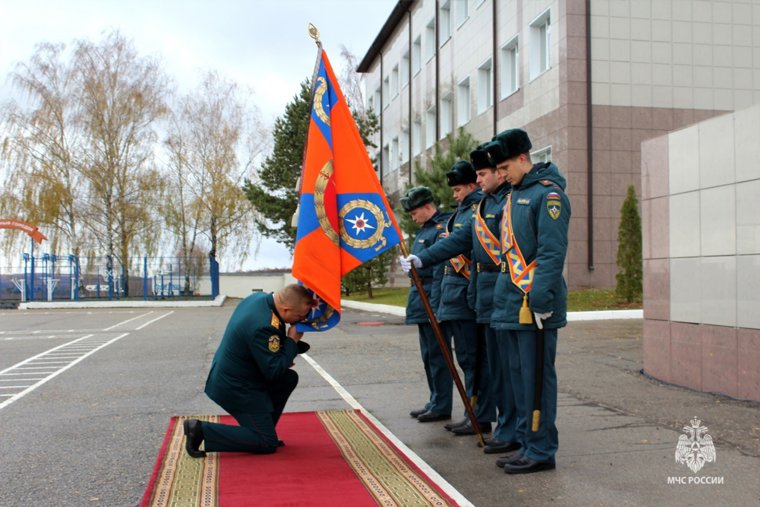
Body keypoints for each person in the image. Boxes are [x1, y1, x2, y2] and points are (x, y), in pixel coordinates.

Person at [400, 145, 520, 454]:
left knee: (486, 364)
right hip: (469, 295)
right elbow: (454, 248)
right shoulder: (471, 212)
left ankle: (485, 418)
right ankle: (480, 416)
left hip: (483, 295)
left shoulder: (491, 206)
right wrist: (422, 260)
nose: (457, 193)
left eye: (481, 176)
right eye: (477, 176)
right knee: (475, 361)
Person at [489, 128, 571, 474]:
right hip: (512, 303)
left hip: (535, 305)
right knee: (519, 379)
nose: (501, 174)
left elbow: (552, 253)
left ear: (524, 158)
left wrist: (540, 299)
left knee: (536, 380)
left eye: (505, 167)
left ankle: (540, 449)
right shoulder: (514, 195)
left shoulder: (548, 196)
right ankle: (526, 442)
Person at [183, 284, 315, 457]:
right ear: (286, 308)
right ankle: (200, 429)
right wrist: (292, 340)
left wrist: (284, 355)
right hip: (236, 387)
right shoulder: (264, 325)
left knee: (288, 378)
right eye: (299, 316)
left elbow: (269, 356)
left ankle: (263, 429)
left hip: (239, 375)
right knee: (267, 443)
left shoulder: (258, 300)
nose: (299, 321)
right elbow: (273, 371)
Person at [433, 160, 492, 436]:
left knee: (473, 361)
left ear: (471, 185)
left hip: (465, 297)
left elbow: (469, 250)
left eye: (458, 189)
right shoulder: (462, 211)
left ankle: (479, 415)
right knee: (467, 360)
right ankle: (473, 413)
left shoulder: (474, 210)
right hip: (454, 298)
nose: (454, 195)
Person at [401, 186, 453, 423]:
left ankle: (442, 404)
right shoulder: (424, 231)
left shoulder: (441, 230)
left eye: (414, 213)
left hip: (433, 297)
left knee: (438, 354)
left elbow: (441, 265)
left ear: (427, 207)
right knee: (428, 355)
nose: (413, 217)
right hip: (421, 299)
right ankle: (435, 400)